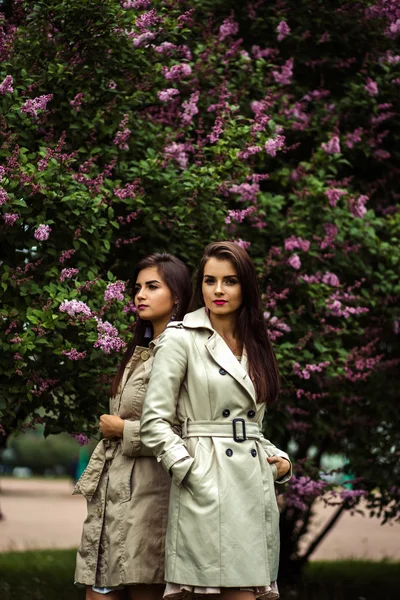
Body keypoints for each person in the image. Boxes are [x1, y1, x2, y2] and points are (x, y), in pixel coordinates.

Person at [141, 241, 292, 600]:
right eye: (210, 281)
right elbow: (153, 422)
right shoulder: (180, 339)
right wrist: (190, 471)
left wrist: (281, 461)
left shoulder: (256, 344)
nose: (219, 290)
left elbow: (249, 424)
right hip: (205, 483)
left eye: (230, 281)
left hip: (252, 486)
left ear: (246, 287)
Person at [74, 253, 191, 600]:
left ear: (178, 297)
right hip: (114, 496)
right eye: (137, 287)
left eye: (152, 287)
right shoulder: (140, 350)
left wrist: (122, 431)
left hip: (151, 497)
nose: (140, 294)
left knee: (145, 587)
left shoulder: (182, 351)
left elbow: (185, 431)